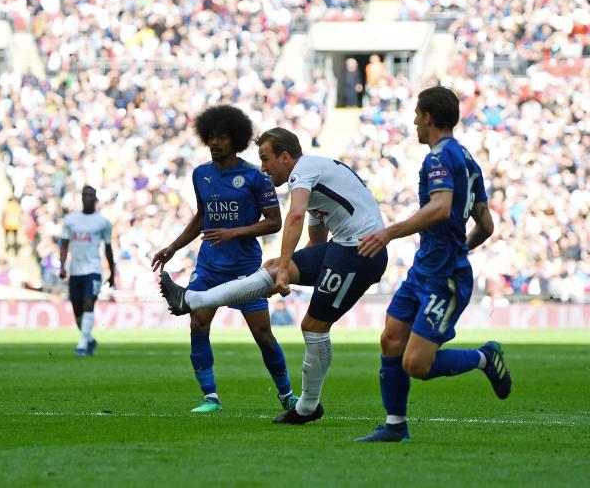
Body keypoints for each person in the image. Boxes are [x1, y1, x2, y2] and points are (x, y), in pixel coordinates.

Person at [159, 127, 388, 423]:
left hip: (361, 252)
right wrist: (281, 272)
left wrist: (284, 270)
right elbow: (316, 245)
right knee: (271, 266)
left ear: (285, 156)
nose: (264, 168)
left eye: (266, 159)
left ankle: (306, 408)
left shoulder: (302, 172)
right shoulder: (318, 174)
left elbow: (293, 216)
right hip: (342, 248)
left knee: (312, 326)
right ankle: (192, 299)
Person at [354, 86, 508, 443]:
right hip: (424, 269)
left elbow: (440, 207)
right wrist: (462, 248)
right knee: (391, 338)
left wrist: (389, 233)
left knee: (416, 364)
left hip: (443, 277)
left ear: (427, 117)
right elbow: (485, 224)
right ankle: (394, 426)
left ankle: (484, 357)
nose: (413, 122)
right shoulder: (467, 159)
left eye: (416, 115)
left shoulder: (439, 157)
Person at [152, 105, 295, 414]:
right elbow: (202, 217)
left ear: (236, 140)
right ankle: (210, 397)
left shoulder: (256, 177)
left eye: (222, 137)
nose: (215, 143)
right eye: (212, 137)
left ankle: (287, 395)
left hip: (244, 269)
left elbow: (274, 222)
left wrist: (234, 233)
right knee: (198, 323)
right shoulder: (200, 174)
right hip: (209, 266)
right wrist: (173, 247)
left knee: (262, 334)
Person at [59, 185, 115, 357]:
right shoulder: (70, 220)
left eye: (91, 195)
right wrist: (62, 266)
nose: (88, 198)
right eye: (85, 195)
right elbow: (64, 245)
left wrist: (112, 272)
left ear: (95, 198)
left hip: (93, 270)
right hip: (75, 270)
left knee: (89, 303)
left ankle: (82, 346)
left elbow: (108, 248)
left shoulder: (103, 222)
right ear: (81, 197)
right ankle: (89, 338)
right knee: (77, 312)